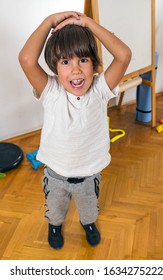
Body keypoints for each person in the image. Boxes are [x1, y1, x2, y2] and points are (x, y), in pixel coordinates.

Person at [18, 11, 131, 249]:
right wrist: (49, 21)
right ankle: (55, 226)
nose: (76, 70)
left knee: (89, 208)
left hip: (89, 175)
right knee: (55, 209)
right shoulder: (51, 91)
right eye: (65, 62)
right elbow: (27, 59)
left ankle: (88, 223)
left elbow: (124, 55)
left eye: (83, 60)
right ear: (55, 68)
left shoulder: (100, 89)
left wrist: (87, 23)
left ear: (94, 63)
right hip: (56, 174)